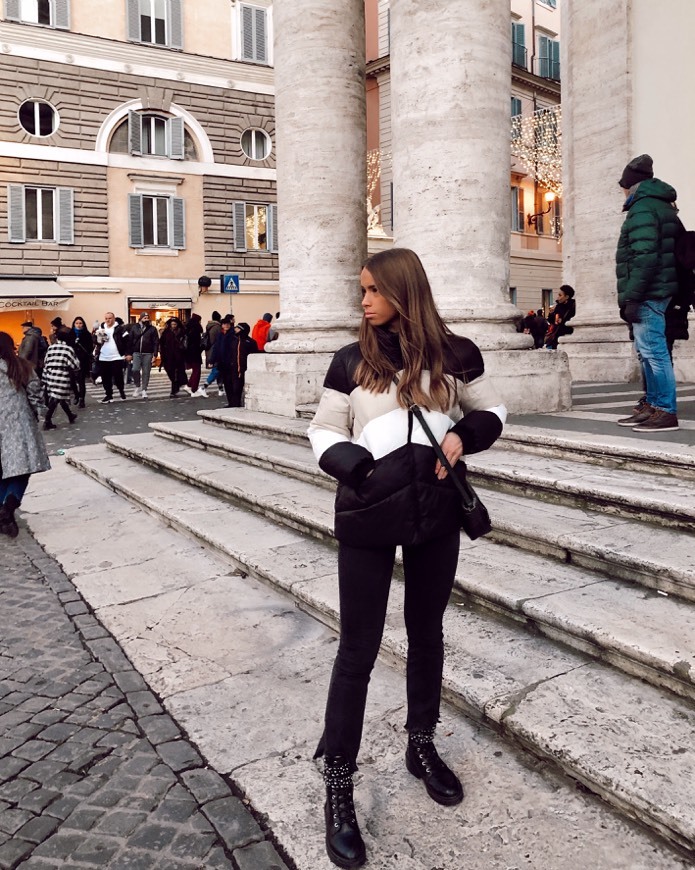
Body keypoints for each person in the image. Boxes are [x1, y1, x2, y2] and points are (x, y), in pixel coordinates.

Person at [307, 248, 506, 868]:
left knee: (427, 634)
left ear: (402, 289)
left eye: (372, 290)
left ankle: (421, 747)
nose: (363, 300)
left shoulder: (455, 354)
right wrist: (361, 472)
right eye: (361, 290)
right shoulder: (351, 360)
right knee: (358, 648)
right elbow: (322, 430)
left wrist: (462, 435)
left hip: (437, 514)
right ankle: (339, 784)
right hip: (368, 515)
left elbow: (496, 410)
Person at [615, 154, 682, 432]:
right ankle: (655, 406)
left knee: (653, 352)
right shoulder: (660, 205)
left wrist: (632, 296)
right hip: (656, 289)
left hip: (649, 291)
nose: (622, 190)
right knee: (648, 352)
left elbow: (644, 257)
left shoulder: (643, 209)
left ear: (632, 185)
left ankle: (665, 410)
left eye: (624, 185)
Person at [0, 332, 50, 538]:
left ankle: (3, 513)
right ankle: (7, 509)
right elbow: (35, 393)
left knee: (2, 470)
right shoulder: (21, 366)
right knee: (23, 468)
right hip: (18, 422)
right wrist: (41, 412)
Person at [42, 330, 80, 430]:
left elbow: (45, 361)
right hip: (62, 375)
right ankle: (47, 420)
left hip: (50, 375)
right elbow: (75, 364)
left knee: (59, 397)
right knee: (56, 398)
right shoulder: (68, 349)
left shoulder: (51, 348)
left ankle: (70, 415)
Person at [95, 312, 129, 403]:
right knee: (105, 377)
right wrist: (99, 338)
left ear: (114, 319)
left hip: (117, 356)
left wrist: (127, 353)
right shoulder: (101, 328)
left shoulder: (120, 329)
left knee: (118, 377)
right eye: (106, 318)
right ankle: (109, 395)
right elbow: (97, 341)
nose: (108, 320)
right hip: (104, 356)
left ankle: (121, 391)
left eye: (110, 318)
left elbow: (127, 341)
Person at [129, 312, 159, 399]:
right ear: (140, 318)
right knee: (135, 369)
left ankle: (144, 390)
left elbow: (156, 342)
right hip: (136, 352)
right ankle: (137, 386)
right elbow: (130, 340)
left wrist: (155, 354)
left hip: (148, 353)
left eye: (147, 318)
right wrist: (129, 353)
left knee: (146, 372)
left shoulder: (152, 329)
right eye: (144, 318)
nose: (146, 319)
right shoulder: (134, 327)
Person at [159, 317, 189, 397]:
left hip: (179, 355)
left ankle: (174, 390)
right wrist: (162, 353)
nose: (173, 326)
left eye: (175, 324)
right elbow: (161, 343)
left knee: (177, 372)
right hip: (168, 355)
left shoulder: (182, 332)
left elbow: (185, 343)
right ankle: (177, 385)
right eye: (172, 324)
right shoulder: (166, 332)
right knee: (170, 371)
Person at [70, 316, 94, 408]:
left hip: (82, 360)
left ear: (83, 324)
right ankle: (76, 394)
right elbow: (68, 345)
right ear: (74, 324)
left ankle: (81, 399)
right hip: (71, 359)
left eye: (80, 323)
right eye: (77, 323)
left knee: (81, 380)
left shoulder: (87, 334)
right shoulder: (71, 334)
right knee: (72, 380)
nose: (78, 325)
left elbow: (90, 347)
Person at [183, 313, 205, 396]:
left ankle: (189, 386)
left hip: (188, 352)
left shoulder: (187, 328)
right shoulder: (196, 329)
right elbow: (196, 343)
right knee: (197, 371)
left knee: (195, 371)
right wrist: (202, 346)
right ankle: (193, 390)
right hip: (194, 353)